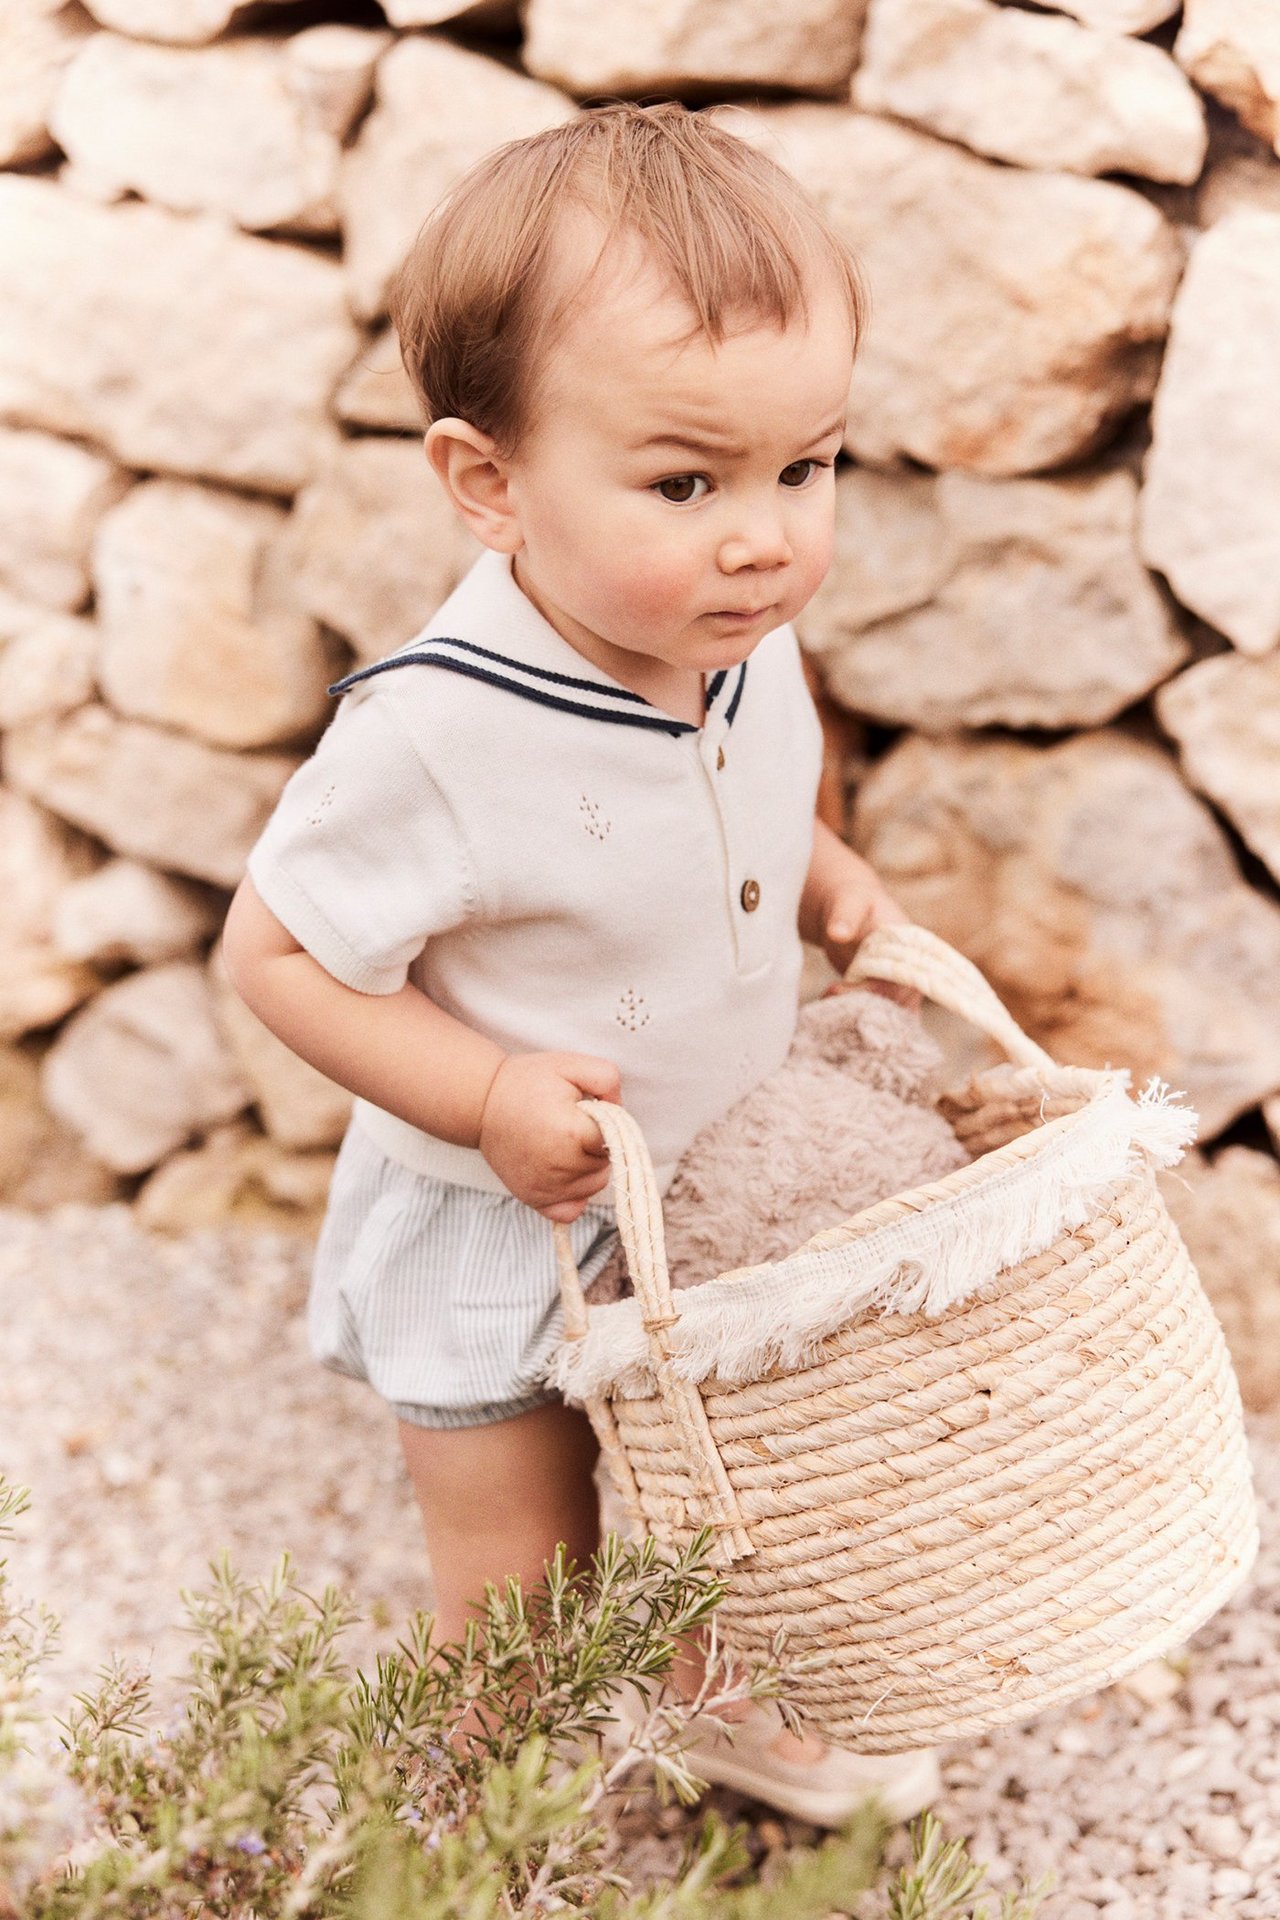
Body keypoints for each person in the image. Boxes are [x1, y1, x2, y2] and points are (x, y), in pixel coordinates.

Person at [222, 101, 939, 1825]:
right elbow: (278, 955)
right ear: (488, 481)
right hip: (507, 1207)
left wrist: (833, 888)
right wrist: (480, 1095)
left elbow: (755, 801)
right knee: (519, 1530)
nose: (764, 535)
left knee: (710, 1480)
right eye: (688, 481)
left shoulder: (727, 634)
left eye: (806, 467)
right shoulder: (439, 736)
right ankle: (497, 1788)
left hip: (701, 1172)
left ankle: (706, 1693)